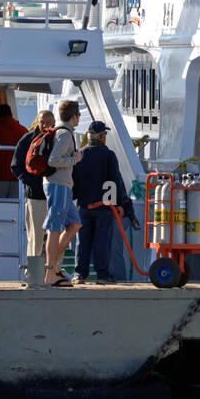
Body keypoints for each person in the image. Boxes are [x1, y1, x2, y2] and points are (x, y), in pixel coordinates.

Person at [70, 121, 130, 284]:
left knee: (82, 241)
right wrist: (119, 204)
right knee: (102, 242)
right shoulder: (108, 155)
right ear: (102, 137)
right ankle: (102, 276)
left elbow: (73, 183)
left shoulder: (80, 154)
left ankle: (79, 274)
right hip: (104, 206)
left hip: (83, 206)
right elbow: (114, 181)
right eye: (104, 135)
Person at [42, 99, 84, 287]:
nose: (79, 118)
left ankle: (54, 267)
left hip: (63, 185)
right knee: (55, 228)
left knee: (75, 224)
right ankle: (50, 274)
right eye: (78, 115)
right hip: (58, 184)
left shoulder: (65, 133)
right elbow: (53, 160)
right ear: (74, 116)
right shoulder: (65, 134)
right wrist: (74, 159)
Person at [10, 109, 56, 259]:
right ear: (37, 121)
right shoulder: (27, 139)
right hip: (36, 196)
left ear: (54, 122)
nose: (45, 125)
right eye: (42, 122)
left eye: (49, 122)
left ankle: (52, 271)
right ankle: (33, 273)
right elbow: (16, 166)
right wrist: (33, 183)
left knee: (55, 234)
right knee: (35, 236)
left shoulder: (58, 139)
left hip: (55, 194)